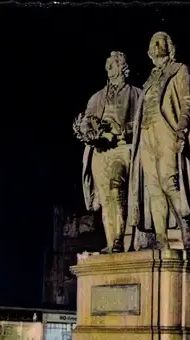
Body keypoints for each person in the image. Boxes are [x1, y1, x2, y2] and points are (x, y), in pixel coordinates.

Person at [128, 32, 190, 251]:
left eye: (162, 41)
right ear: (149, 51)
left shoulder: (179, 70)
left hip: (166, 130)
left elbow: (188, 102)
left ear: (170, 46)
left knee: (170, 182)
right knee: (154, 189)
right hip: (145, 135)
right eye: (153, 43)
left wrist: (182, 130)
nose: (157, 45)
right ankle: (161, 239)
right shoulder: (148, 80)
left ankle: (186, 231)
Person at [74, 51, 141, 253]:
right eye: (108, 65)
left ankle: (119, 240)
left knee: (116, 187)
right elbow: (87, 119)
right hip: (99, 151)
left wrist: (123, 130)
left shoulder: (136, 94)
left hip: (121, 149)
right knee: (105, 199)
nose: (109, 69)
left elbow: (142, 123)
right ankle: (111, 241)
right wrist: (86, 130)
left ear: (122, 67)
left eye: (113, 65)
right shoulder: (97, 97)